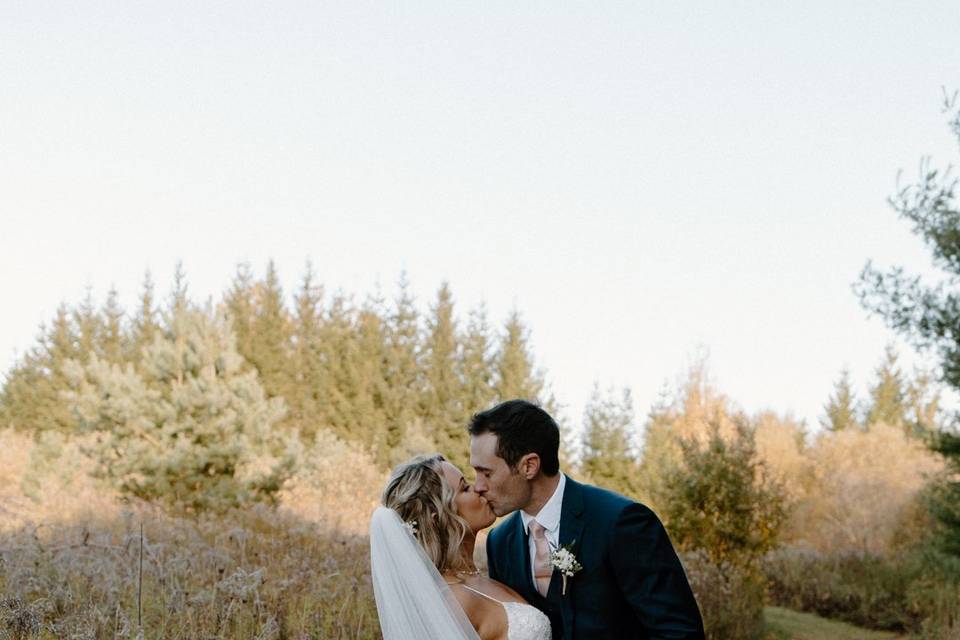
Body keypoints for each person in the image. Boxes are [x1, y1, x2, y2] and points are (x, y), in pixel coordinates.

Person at [471, 400, 705, 639]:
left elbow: (679, 632)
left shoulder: (622, 522)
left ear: (529, 466)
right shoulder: (499, 542)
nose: (478, 486)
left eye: (486, 473)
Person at [370, 453, 552, 640]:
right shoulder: (455, 602)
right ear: (439, 516)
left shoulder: (475, 579)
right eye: (465, 488)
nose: (479, 489)